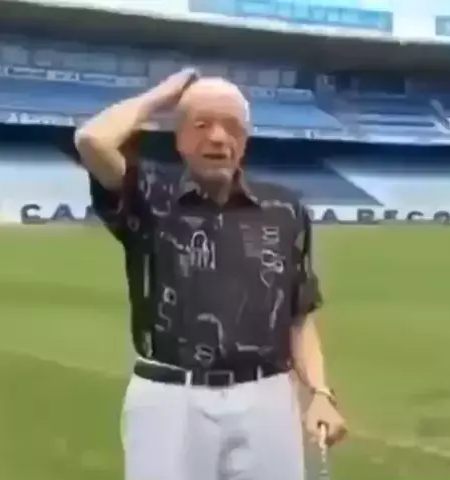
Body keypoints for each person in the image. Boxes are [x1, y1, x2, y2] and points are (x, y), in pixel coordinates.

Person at [75, 68, 347, 480]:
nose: (218, 137)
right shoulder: (147, 193)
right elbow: (92, 140)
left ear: (245, 140)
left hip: (268, 398)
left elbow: (299, 315)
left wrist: (321, 392)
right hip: (170, 400)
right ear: (179, 138)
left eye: (231, 126)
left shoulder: (285, 210)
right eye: (201, 125)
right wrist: (164, 95)